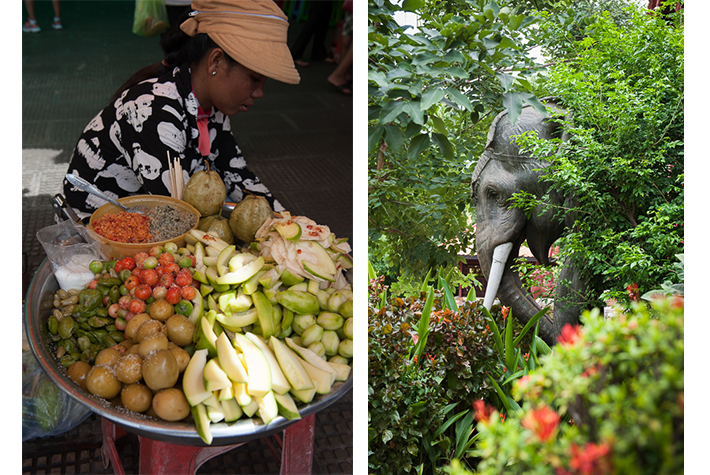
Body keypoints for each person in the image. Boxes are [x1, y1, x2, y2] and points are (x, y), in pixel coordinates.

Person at [63, 0, 300, 221]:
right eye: (255, 79)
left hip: (157, 219)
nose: (259, 92)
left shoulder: (211, 107)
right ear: (215, 61)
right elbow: (178, 215)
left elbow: (235, 173)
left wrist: (288, 222)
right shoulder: (152, 110)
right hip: (95, 232)